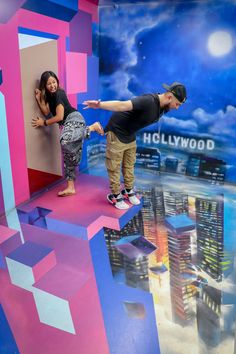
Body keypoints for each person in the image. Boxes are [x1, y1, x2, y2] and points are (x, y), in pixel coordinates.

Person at [83, 82, 187, 209]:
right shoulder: (148, 101)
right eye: (177, 104)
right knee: (114, 166)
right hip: (117, 131)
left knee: (129, 164)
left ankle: (128, 191)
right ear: (170, 97)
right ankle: (115, 195)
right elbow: (122, 105)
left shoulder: (163, 107)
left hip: (130, 134)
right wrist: (99, 105)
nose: (177, 108)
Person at [32, 70, 104, 197]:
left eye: (54, 82)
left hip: (74, 119)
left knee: (64, 141)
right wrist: (39, 99)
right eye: (49, 84)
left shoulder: (59, 93)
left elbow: (59, 117)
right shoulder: (50, 97)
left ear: (57, 82)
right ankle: (71, 188)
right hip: (68, 125)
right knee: (68, 156)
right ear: (45, 86)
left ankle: (92, 128)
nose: (52, 85)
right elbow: (45, 111)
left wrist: (43, 123)